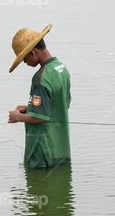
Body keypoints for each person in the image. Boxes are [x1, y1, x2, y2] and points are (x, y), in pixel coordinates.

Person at [7, 23, 71, 169]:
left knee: (37, 191)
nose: (24, 62)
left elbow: (40, 118)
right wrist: (29, 107)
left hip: (43, 153)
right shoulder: (61, 69)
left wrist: (16, 116)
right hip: (61, 151)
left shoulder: (41, 78)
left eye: (24, 58)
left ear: (33, 52)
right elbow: (61, 103)